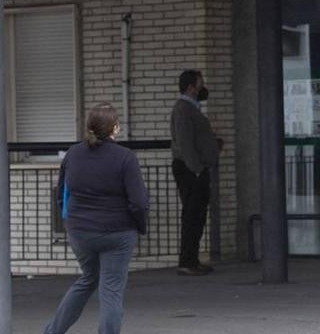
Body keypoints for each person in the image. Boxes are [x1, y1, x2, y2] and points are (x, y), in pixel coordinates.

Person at [45, 103, 149, 334]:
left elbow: (62, 193)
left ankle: (52, 331)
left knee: (88, 279)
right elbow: (139, 202)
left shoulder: (73, 154)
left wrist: (71, 222)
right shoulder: (125, 157)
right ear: (114, 128)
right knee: (111, 290)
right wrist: (139, 226)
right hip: (118, 233)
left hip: (80, 232)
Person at [169, 69, 220, 276]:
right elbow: (185, 142)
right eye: (200, 84)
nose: (202, 88)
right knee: (192, 215)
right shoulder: (183, 109)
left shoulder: (192, 108)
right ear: (191, 87)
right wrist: (197, 168)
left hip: (195, 167)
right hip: (190, 169)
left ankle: (192, 259)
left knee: (198, 215)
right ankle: (187, 261)